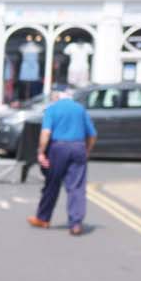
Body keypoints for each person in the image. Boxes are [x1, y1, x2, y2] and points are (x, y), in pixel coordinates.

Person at [29, 89, 95, 235]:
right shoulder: (80, 109)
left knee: (52, 183)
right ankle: (76, 223)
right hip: (78, 147)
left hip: (58, 148)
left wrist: (41, 153)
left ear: (56, 98)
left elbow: (46, 133)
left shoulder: (52, 109)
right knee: (76, 186)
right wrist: (87, 151)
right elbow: (92, 135)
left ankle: (43, 218)